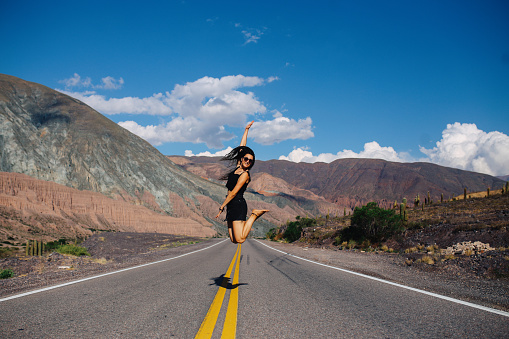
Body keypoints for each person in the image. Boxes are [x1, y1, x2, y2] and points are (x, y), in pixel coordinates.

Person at [215, 121, 269, 243]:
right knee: (234, 240)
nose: (248, 161)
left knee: (240, 239)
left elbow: (233, 193)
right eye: (246, 158)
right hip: (231, 205)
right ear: (242, 158)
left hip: (238, 204)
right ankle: (253, 216)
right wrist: (246, 130)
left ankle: (254, 215)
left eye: (250, 161)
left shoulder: (244, 175)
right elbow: (242, 147)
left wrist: (222, 206)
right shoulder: (238, 167)